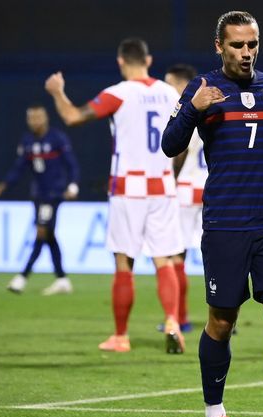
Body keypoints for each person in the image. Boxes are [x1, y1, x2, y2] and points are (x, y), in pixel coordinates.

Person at [162, 11, 263, 417]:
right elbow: (170, 144)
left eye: (252, 45)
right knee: (222, 322)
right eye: (237, 46)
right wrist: (193, 109)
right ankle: (215, 415)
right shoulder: (203, 89)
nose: (246, 53)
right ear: (219, 47)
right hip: (225, 222)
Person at [44, 37, 186, 354]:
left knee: (124, 262)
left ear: (121, 62)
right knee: (164, 260)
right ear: (149, 61)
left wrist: (57, 92)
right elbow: (183, 141)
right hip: (163, 186)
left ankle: (121, 336)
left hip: (129, 189)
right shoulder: (170, 93)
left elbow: (72, 117)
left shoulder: (118, 94)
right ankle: (173, 322)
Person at [0, 104, 80, 295]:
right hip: (38, 195)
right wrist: (4, 185)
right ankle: (62, 279)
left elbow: (72, 164)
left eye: (38, 117)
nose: (34, 121)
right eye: (31, 118)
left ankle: (22, 277)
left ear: (46, 118)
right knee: (48, 235)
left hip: (54, 194)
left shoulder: (57, 138)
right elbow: (19, 168)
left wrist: (72, 186)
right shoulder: (27, 141)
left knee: (41, 232)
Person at [154, 63, 209, 334]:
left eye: (170, 83)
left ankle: (180, 318)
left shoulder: (185, 112)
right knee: (218, 256)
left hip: (186, 189)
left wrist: (170, 180)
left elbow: (181, 150)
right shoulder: (211, 106)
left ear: (182, 84)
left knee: (177, 256)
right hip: (210, 189)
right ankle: (225, 317)